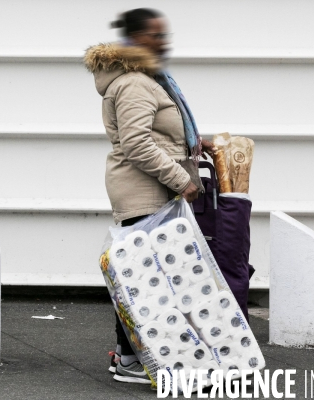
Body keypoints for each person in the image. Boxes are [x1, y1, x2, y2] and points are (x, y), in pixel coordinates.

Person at [84, 8, 215, 384]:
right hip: (143, 189)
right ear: (134, 39)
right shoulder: (134, 82)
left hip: (152, 188)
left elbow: (157, 133)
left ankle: (131, 357)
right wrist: (182, 180)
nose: (163, 42)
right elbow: (137, 143)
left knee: (143, 275)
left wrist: (193, 142)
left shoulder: (147, 78)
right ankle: (132, 362)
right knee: (143, 279)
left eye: (164, 35)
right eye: (155, 35)